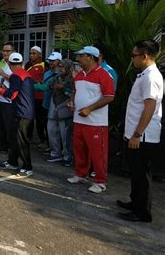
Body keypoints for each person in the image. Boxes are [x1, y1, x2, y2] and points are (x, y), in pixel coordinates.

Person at [118, 40, 163, 223]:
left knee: (142, 174)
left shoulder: (152, 77)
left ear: (144, 56)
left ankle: (142, 212)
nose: (132, 59)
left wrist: (137, 134)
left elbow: (149, 108)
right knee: (135, 172)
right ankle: (135, 202)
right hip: (135, 132)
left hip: (143, 135)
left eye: (134, 55)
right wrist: (129, 132)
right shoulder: (144, 74)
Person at [66, 46, 115, 193]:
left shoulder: (104, 75)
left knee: (97, 153)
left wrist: (90, 109)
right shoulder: (80, 75)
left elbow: (109, 97)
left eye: (81, 56)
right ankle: (81, 174)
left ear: (91, 57)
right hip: (79, 120)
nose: (78, 59)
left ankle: (100, 181)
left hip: (96, 122)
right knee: (79, 149)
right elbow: (75, 91)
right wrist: (71, 102)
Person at [0, 52, 36, 177]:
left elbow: (11, 94)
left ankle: (27, 167)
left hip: (22, 112)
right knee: (13, 138)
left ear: (9, 64)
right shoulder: (26, 74)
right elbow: (16, 91)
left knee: (21, 140)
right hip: (23, 111)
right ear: (22, 63)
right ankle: (12, 161)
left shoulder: (15, 76)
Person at [45, 59, 74, 166]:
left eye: (62, 67)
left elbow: (74, 92)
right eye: (59, 66)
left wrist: (64, 88)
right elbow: (46, 86)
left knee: (65, 133)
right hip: (54, 104)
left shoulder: (73, 79)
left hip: (65, 107)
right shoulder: (56, 78)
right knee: (51, 129)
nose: (60, 68)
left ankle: (67, 156)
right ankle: (55, 153)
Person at [35, 52, 62, 154]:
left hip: (56, 104)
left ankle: (57, 148)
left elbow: (45, 87)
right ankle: (49, 145)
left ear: (59, 61)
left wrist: (31, 85)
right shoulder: (46, 73)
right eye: (50, 60)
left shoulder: (60, 73)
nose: (51, 63)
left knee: (56, 128)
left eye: (53, 61)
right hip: (45, 103)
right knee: (47, 125)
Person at [0, 43, 15, 153]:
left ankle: (10, 147)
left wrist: (3, 73)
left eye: (8, 51)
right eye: (4, 51)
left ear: (13, 52)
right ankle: (0, 145)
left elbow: (16, 80)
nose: (5, 53)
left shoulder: (16, 64)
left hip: (9, 99)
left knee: (8, 124)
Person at [26, 46, 48, 149]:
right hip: (29, 96)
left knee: (40, 120)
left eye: (34, 53)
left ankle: (42, 140)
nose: (31, 55)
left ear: (39, 55)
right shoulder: (28, 65)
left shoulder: (44, 65)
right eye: (30, 53)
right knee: (29, 118)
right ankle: (28, 137)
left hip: (40, 97)